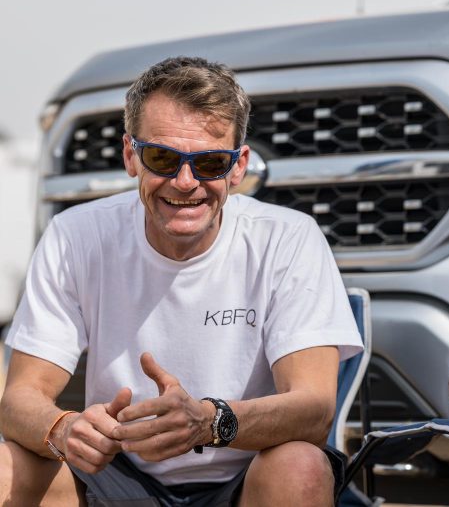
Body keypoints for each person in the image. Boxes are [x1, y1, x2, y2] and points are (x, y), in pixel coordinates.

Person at [0, 56, 363, 506]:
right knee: (5, 469)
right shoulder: (75, 235)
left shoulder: (288, 238)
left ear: (238, 167)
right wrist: (63, 429)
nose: (186, 181)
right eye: (163, 158)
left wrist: (210, 422)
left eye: (210, 162)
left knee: (300, 466)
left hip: (247, 476)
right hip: (116, 475)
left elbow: (314, 409)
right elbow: (20, 399)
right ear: (131, 156)